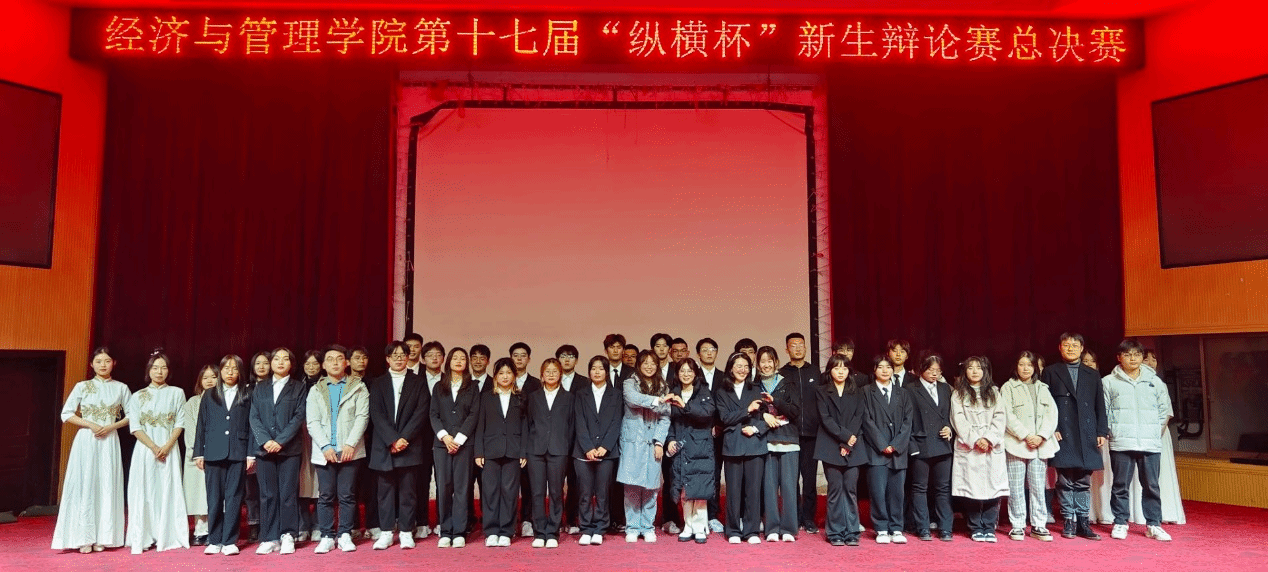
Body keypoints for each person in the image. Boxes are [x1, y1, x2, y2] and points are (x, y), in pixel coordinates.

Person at [51, 347, 130, 553]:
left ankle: (104, 536)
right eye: (99, 361)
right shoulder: (82, 387)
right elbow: (66, 414)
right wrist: (90, 424)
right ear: (92, 364)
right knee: (85, 483)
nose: (103, 365)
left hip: (109, 440)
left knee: (106, 483)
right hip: (87, 440)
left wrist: (111, 426)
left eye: (107, 361)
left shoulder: (121, 388)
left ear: (114, 363)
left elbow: (133, 415)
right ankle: (83, 537)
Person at [1103, 339, 1174, 542]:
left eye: (1136, 354)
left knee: (1151, 486)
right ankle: (1120, 522)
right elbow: (1104, 411)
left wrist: (1154, 432)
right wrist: (1114, 431)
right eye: (1127, 355)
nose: (1132, 358)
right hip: (1121, 442)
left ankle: (1154, 524)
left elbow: (1165, 411)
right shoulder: (1108, 381)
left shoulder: (1155, 382)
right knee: (1120, 485)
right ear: (1119, 358)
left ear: (1142, 357)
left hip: (1150, 443)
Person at [1042, 333, 1108, 540]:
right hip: (1063, 432)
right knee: (1065, 480)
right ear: (1060, 348)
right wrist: (1052, 428)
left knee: (1083, 481)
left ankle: (1083, 521)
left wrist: (1101, 431)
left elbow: (1100, 405)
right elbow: (1045, 405)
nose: (1070, 348)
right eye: (1066, 345)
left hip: (1087, 432)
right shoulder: (1051, 372)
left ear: (1081, 348)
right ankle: (1068, 521)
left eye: (1074, 345)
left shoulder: (1092, 374)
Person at [306, 345, 369, 554]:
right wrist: (325, 446)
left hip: (350, 451)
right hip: (324, 452)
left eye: (339, 358)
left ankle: (344, 534)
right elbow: (312, 421)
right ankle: (326, 535)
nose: (335, 362)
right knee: (325, 495)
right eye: (330, 359)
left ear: (346, 363)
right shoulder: (316, 390)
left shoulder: (358, 387)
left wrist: (350, 444)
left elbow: (362, 417)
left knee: (347, 495)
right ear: (323, 365)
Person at [125, 351, 189, 554]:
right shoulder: (138, 396)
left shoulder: (177, 393)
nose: (159, 371)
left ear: (168, 371)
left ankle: (167, 534)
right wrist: (154, 447)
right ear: (148, 371)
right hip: (145, 450)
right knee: (145, 491)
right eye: (155, 368)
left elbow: (180, 422)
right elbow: (135, 427)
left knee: (167, 489)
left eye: (163, 368)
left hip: (169, 448)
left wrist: (167, 446)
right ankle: (144, 535)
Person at [368, 342, 428, 551]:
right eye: (395, 355)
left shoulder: (418, 382)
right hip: (384, 446)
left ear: (408, 357)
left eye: (403, 355)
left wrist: (404, 438)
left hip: (409, 446)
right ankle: (386, 533)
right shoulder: (378, 383)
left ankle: (405, 532)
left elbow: (421, 413)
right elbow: (376, 413)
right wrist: (392, 439)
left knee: (408, 492)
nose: (399, 358)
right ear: (387, 359)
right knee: (384, 493)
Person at [250, 347, 309, 555]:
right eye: (276, 358)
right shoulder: (260, 387)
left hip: (289, 449)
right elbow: (254, 416)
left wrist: (280, 441)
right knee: (267, 495)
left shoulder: (299, 387)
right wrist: (266, 440)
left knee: (287, 494)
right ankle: (269, 537)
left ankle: (288, 535)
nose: (280, 362)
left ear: (291, 364)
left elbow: (299, 416)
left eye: (285, 359)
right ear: (271, 363)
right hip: (264, 449)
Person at [194, 354, 254, 556]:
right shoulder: (209, 394)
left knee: (234, 497)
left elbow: (252, 425)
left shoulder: (247, 393)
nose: (230, 372)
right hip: (213, 452)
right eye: (226, 368)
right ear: (220, 371)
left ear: (240, 372)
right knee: (214, 498)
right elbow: (201, 425)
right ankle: (215, 539)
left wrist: (251, 454)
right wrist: (199, 453)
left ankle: (229, 541)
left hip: (238, 452)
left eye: (235, 368)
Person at [1000, 351, 1058, 542]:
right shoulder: (1008, 387)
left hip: (1039, 445)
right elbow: (1007, 415)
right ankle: (1017, 525)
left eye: (1029, 365)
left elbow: (1052, 414)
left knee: (1038, 486)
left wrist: (1041, 436)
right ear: (1015, 366)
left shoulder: (1043, 388)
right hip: (1016, 444)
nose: (1026, 368)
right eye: (1022, 364)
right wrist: (1025, 435)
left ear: (1035, 368)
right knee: (1016, 486)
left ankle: (1039, 525)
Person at [950, 356, 1008, 543]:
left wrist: (989, 439)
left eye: (979, 367)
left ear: (985, 371)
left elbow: (1000, 417)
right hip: (970, 447)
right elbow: (958, 419)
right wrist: (975, 440)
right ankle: (975, 527)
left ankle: (989, 527)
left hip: (991, 446)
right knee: (971, 489)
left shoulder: (994, 392)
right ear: (965, 371)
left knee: (993, 488)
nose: (975, 371)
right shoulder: (958, 394)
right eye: (970, 368)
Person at [617, 350, 672, 543]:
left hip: (652, 443)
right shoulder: (629, 383)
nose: (649, 366)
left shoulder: (663, 387)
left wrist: (659, 441)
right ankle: (632, 527)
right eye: (645, 362)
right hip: (633, 442)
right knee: (631, 486)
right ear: (639, 365)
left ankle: (648, 527)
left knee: (651, 486)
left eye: (653, 363)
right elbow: (633, 400)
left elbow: (665, 417)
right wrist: (657, 401)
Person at [715, 351, 768, 544]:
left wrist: (755, 428)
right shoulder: (722, 392)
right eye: (739, 366)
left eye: (746, 366)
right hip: (733, 445)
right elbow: (724, 418)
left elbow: (765, 417)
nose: (743, 370)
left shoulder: (756, 389)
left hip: (755, 444)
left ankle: (751, 531)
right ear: (730, 368)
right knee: (733, 492)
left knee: (753, 491)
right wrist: (747, 410)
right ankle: (733, 531)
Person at [814, 354, 867, 547]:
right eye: (837, 368)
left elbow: (859, 417)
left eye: (844, 368)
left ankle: (852, 531)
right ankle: (835, 531)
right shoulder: (821, 391)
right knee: (835, 489)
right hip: (830, 445)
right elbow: (825, 419)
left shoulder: (858, 391)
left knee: (850, 489)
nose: (841, 372)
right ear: (830, 371)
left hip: (854, 445)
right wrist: (844, 437)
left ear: (849, 371)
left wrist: (848, 443)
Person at [430, 347, 480, 548]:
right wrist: (445, 437)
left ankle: (459, 531)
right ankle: (445, 530)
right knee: (443, 487)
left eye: (462, 358)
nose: (459, 361)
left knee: (462, 487)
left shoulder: (473, 387)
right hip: (442, 445)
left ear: (466, 363)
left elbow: (474, 414)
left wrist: (458, 439)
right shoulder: (438, 386)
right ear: (448, 361)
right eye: (455, 358)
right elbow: (433, 414)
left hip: (464, 445)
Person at [475, 358, 528, 547]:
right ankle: (491, 531)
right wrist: (479, 452)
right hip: (490, 451)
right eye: (501, 373)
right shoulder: (486, 397)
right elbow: (480, 425)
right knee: (490, 492)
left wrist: (523, 452)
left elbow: (525, 427)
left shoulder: (521, 397)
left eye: (508, 373)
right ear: (495, 376)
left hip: (513, 451)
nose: (505, 376)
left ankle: (506, 531)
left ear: (514, 375)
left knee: (510, 492)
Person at [862, 355, 914, 544]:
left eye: (888, 367)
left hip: (898, 451)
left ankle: (897, 528)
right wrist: (882, 444)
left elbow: (908, 421)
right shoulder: (866, 392)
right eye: (881, 367)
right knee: (877, 492)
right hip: (876, 450)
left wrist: (896, 444)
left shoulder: (903, 393)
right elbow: (866, 420)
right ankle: (881, 528)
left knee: (897, 493)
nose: (885, 370)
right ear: (874, 370)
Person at [665, 358, 716, 543]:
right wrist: (670, 439)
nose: (686, 374)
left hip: (700, 447)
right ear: (677, 374)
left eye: (689, 371)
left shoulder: (703, 391)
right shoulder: (674, 392)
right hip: (681, 446)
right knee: (684, 488)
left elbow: (707, 414)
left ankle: (700, 526)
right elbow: (668, 421)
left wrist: (684, 406)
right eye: (682, 371)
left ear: (695, 373)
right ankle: (688, 525)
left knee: (700, 488)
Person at [573, 356, 623, 546]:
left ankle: (600, 528)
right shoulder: (581, 393)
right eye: (593, 368)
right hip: (582, 452)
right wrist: (588, 447)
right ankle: (586, 527)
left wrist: (605, 446)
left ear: (607, 372)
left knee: (603, 493)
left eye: (601, 369)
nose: (597, 372)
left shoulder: (616, 394)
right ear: (589, 371)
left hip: (607, 452)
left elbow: (617, 422)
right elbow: (579, 422)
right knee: (585, 493)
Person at [904, 353, 954, 542]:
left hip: (942, 444)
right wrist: (912, 446)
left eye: (938, 370)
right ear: (921, 369)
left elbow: (951, 414)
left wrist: (949, 428)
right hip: (921, 444)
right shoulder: (910, 389)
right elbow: (906, 420)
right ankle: (922, 527)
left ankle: (945, 528)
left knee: (943, 488)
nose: (935, 374)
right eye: (931, 370)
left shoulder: (945, 388)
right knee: (919, 488)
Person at [526, 358, 575, 548]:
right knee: (537, 492)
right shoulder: (533, 397)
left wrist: (566, 447)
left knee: (556, 492)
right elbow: (528, 423)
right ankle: (539, 532)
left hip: (559, 450)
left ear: (560, 374)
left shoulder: (569, 397)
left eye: (555, 371)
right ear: (542, 375)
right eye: (548, 371)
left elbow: (572, 426)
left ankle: (553, 532)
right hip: (535, 450)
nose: (551, 374)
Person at [756, 346, 801, 542]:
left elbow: (795, 411)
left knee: (789, 487)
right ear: (758, 364)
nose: (766, 365)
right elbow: (750, 412)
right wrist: (764, 416)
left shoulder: (788, 383)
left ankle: (789, 529)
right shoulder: (754, 385)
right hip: (765, 441)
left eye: (770, 361)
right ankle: (772, 528)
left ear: (776, 362)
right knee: (769, 487)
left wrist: (775, 400)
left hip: (788, 440)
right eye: (762, 361)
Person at [779, 333, 820, 534]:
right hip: (790, 433)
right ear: (787, 349)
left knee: (810, 479)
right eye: (793, 345)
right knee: (791, 480)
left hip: (812, 434)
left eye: (801, 345)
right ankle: (793, 516)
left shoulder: (815, 371)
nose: (797, 348)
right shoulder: (781, 373)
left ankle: (809, 518)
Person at [1140, 349, 1185, 525]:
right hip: (1139, 435)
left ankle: (1166, 511)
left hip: (1158, 434)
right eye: (1146, 359)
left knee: (1160, 474)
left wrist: (1155, 433)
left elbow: (1166, 412)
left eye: (1154, 359)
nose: (1151, 363)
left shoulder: (1159, 383)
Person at [182, 365, 218, 546]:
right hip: (197, 455)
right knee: (198, 493)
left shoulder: (225, 400)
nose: (209, 381)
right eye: (205, 378)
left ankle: (215, 529)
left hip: (218, 453)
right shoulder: (192, 402)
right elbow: (190, 430)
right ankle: (200, 529)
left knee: (216, 493)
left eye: (213, 377)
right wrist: (196, 453)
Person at [348, 346, 378, 540]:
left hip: (371, 441)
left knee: (371, 485)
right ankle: (352, 526)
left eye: (364, 357)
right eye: (357, 357)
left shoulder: (375, 383)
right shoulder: (343, 383)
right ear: (348, 361)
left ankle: (373, 524)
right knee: (349, 486)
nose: (361, 361)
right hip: (348, 443)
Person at [296, 350, 323, 541]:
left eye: (315, 363)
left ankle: (319, 525)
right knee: (302, 482)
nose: (311, 367)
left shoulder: (326, 384)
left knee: (321, 483)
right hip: (301, 435)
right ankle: (303, 526)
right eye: (308, 364)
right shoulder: (298, 385)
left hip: (321, 436)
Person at [244, 351, 270, 542]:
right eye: (257, 363)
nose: (261, 367)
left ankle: (270, 524)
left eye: (265, 363)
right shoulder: (246, 390)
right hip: (249, 444)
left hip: (271, 443)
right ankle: (254, 524)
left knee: (268, 489)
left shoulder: (276, 387)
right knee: (251, 490)